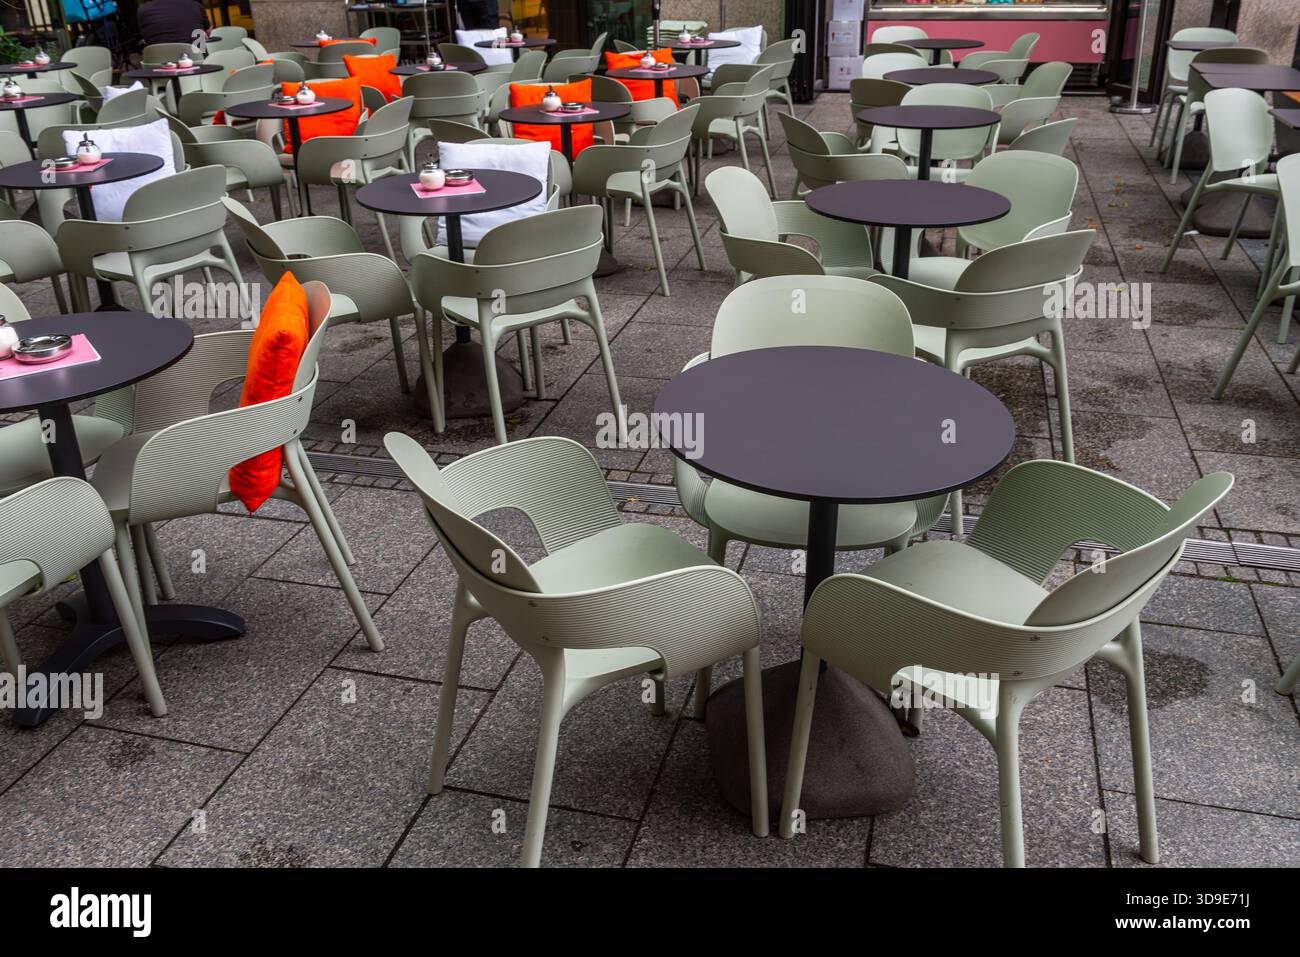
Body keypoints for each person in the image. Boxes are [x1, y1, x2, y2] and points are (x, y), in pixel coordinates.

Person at [136, 0, 209, 47]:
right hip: (199, 62)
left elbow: (146, 36)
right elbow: (208, 31)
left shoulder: (142, 10)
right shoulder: (195, 5)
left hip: (158, 65)